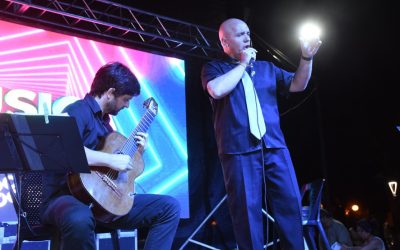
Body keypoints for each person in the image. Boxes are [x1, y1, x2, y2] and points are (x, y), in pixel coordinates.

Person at [201, 18, 321, 249]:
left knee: (290, 203)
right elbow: (216, 90)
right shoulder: (214, 68)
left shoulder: (266, 68)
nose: (247, 38)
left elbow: (298, 84)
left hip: (274, 145)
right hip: (239, 150)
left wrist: (307, 57)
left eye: (248, 33)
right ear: (225, 42)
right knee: (247, 211)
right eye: (239, 35)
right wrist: (243, 65)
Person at [39, 62, 180, 250]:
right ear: (111, 92)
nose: (128, 106)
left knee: (169, 208)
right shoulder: (78, 111)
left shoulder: (106, 125)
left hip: (103, 201)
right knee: (80, 218)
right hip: (65, 195)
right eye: (126, 99)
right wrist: (110, 159)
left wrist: (138, 151)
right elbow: (65, 150)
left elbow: (112, 169)